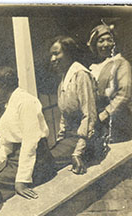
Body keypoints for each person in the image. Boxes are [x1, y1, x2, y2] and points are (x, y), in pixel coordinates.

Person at [0, 66, 56, 201]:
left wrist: (22, 180)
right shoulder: (9, 107)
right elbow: (7, 147)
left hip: (37, 161)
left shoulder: (25, 101)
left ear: (4, 85)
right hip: (15, 160)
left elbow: (30, 142)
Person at [49, 36, 103, 174]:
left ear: (69, 53)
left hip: (87, 141)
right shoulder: (63, 82)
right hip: (70, 139)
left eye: (56, 53)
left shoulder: (81, 75)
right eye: (51, 55)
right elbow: (64, 117)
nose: (52, 59)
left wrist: (78, 153)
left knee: (45, 163)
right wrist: (60, 141)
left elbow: (90, 115)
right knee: (43, 158)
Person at [87, 23, 132, 143]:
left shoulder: (121, 63)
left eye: (109, 40)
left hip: (117, 120)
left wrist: (105, 114)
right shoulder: (93, 69)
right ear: (94, 45)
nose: (105, 44)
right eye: (101, 41)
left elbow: (124, 95)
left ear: (114, 43)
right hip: (98, 122)